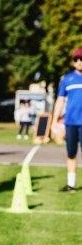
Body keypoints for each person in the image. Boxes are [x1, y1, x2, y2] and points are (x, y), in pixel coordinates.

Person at [51, 47, 82, 192]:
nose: (80, 62)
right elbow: (60, 101)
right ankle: (71, 185)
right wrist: (54, 121)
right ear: (73, 62)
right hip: (71, 123)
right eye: (77, 59)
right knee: (71, 153)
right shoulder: (67, 79)